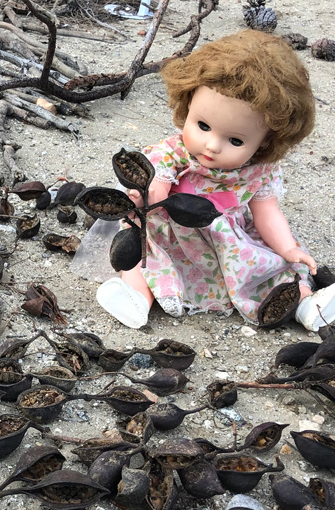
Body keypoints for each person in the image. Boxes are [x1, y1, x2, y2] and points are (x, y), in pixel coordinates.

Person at [78, 30, 335, 331]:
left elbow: (267, 213)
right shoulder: (174, 153)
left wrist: (288, 248)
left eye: (235, 140)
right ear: (188, 104)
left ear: (266, 141)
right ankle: (135, 297)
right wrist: (143, 197)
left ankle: (305, 304)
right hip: (173, 232)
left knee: (273, 268)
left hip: (228, 243)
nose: (212, 145)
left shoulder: (259, 171)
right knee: (145, 258)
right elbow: (157, 188)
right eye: (202, 125)